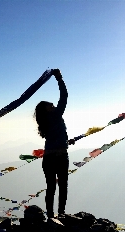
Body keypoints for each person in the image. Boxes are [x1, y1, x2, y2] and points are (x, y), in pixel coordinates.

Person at [34, 69, 75, 218]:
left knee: (51, 187)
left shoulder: (45, 121)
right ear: (46, 110)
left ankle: (50, 215)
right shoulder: (55, 115)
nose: (52, 104)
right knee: (63, 186)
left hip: (49, 157)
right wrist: (59, 79)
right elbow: (64, 96)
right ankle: (61, 214)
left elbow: (56, 135)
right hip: (60, 157)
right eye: (49, 105)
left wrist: (66, 140)